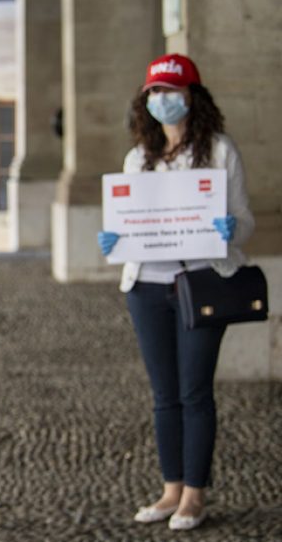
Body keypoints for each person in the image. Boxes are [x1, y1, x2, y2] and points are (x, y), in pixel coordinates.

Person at [97, 53, 254, 531]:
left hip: (202, 283)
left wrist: (231, 229)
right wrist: (114, 240)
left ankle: (194, 495)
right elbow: (128, 221)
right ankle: (169, 489)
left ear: (193, 96)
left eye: (172, 91)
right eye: (155, 93)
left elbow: (244, 222)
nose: (163, 101)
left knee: (195, 392)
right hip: (146, 285)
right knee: (164, 394)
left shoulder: (220, 151)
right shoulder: (138, 157)